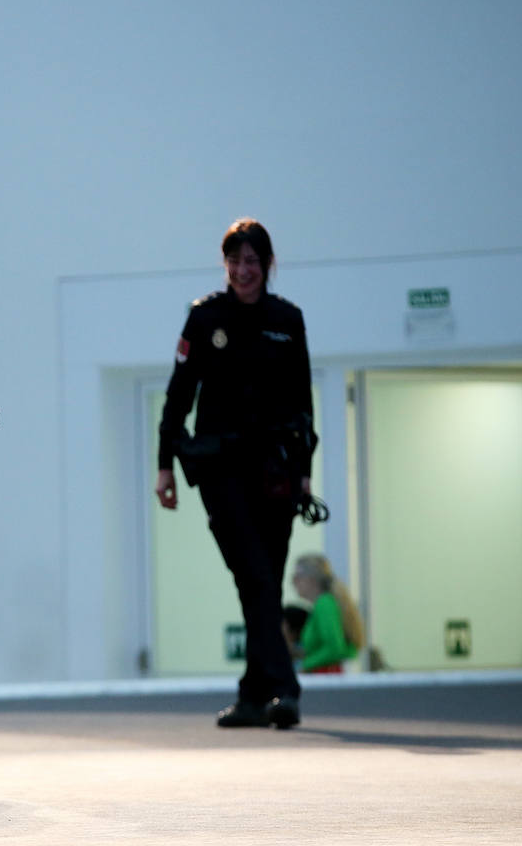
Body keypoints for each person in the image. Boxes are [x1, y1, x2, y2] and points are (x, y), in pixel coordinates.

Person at [154, 218, 316, 730]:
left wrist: (305, 473)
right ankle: (284, 690)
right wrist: (164, 464)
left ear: (267, 266)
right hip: (221, 469)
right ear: (224, 264)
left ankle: (252, 695)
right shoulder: (205, 318)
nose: (243, 271)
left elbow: (302, 401)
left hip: (276, 470)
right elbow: (178, 395)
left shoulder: (287, 320)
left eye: (252, 261)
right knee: (255, 575)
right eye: (234, 261)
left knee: (260, 580)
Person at [288, 553, 363, 673]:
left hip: (326, 676)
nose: (292, 582)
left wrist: (304, 665)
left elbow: (335, 649)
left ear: (311, 579)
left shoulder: (324, 604)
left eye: (297, 577)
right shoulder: (322, 604)